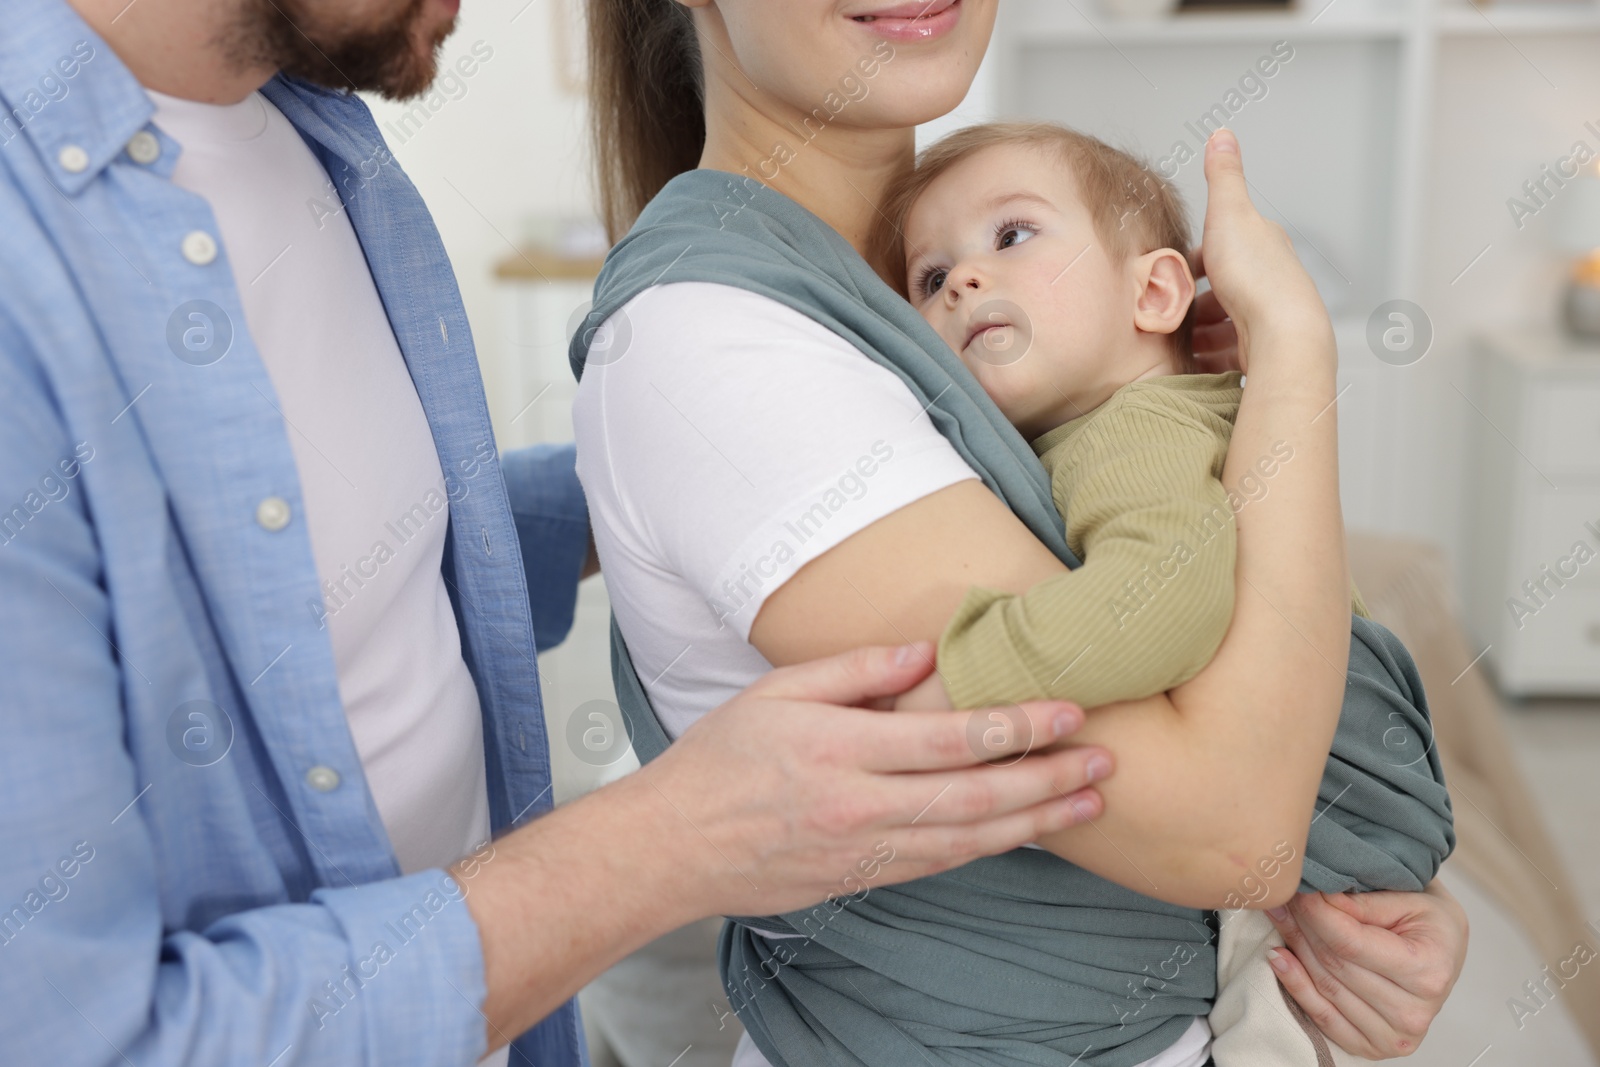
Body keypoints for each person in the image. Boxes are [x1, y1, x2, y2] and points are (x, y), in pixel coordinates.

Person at [0, 1, 1122, 1064]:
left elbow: (368, 573)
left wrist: (736, 470)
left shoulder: (311, 132)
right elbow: (81, 1037)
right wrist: (667, 840)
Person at [571, 0, 1467, 1063]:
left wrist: (1362, 870)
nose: (968, 277)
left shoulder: (936, 317)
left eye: (1006, 241)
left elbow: (1251, 746)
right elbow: (1233, 828)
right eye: (944, 272)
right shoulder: (722, 347)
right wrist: (1296, 363)